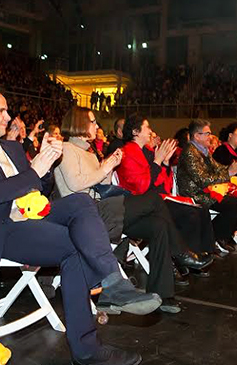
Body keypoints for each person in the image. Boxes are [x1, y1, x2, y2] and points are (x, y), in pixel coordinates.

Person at [0, 86, 160, 365]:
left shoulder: (11, 147)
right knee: (74, 248)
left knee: (81, 201)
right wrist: (34, 171)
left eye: (7, 110)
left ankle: (111, 282)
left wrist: (45, 164)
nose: (8, 116)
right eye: (1, 110)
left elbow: (38, 188)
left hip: (30, 216)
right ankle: (87, 349)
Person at [54, 107, 211, 313]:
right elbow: (75, 185)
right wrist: (105, 168)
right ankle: (181, 252)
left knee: (158, 226)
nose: (96, 126)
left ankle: (164, 295)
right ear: (79, 123)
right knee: (154, 200)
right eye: (92, 122)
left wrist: (108, 169)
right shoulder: (66, 149)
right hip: (86, 216)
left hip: (103, 210)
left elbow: (100, 186)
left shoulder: (89, 154)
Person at [116, 114, 219, 257]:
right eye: (147, 127)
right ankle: (188, 256)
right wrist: (157, 162)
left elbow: (164, 184)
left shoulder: (148, 151)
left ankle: (205, 252)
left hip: (159, 198)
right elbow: (142, 187)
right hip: (143, 204)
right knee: (190, 214)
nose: (151, 131)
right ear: (135, 131)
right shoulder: (127, 153)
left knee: (202, 209)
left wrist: (164, 163)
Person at [176, 119, 237, 248]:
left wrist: (234, 168)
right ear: (197, 136)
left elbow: (218, 167)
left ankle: (223, 236)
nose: (210, 136)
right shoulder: (189, 152)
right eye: (207, 133)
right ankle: (214, 239)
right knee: (234, 203)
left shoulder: (203, 150)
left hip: (207, 191)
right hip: (196, 194)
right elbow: (202, 180)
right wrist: (229, 172)